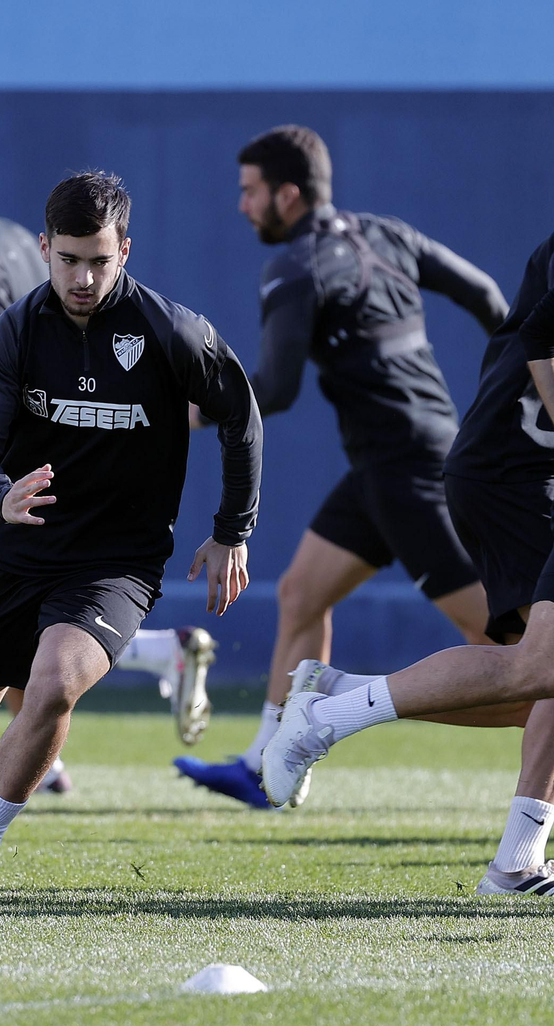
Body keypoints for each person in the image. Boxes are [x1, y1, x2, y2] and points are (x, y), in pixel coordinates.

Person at [0, 171, 261, 903]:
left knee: (55, 683)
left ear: (125, 251)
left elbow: (240, 415)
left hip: (116, 564)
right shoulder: (15, 331)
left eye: (99, 260)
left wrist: (232, 532)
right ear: (43, 249)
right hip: (15, 549)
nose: (83, 278)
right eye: (68, 260)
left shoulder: (172, 331)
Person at [176, 125, 511, 808]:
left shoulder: (294, 266)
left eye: (250, 191)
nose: (242, 206)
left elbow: (276, 388)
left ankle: (341, 708)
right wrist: (514, 394)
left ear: (288, 194)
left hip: (410, 475)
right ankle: (266, 764)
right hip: (388, 467)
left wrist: (196, 408)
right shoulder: (386, 233)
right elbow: (487, 296)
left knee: (512, 653)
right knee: (302, 595)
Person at [0, 130, 223, 765]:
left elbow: (10, 394)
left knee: (7, 630)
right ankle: (79, 728)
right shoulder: (11, 238)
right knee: (34, 630)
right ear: (47, 249)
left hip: (23, 484)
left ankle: (38, 759)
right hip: (41, 475)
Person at [263, 230, 554, 897]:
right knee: (535, 668)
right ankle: (327, 715)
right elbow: (540, 328)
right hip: (513, 475)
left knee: (539, 678)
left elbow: (503, 310)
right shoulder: (325, 257)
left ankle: (515, 862)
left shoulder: (381, 238)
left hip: (498, 466)